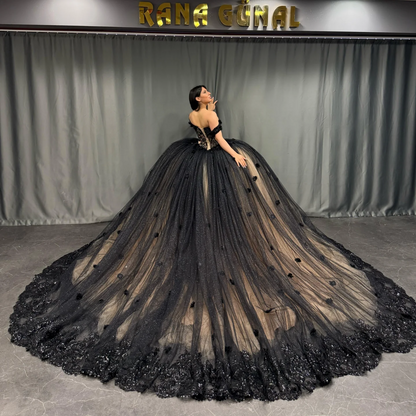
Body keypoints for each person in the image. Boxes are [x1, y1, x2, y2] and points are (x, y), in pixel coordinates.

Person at [9, 85, 416, 402]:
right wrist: (235, 156)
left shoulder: (192, 115)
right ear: (199, 99)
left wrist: (213, 128)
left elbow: (203, 132)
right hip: (216, 160)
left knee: (197, 215)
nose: (208, 94)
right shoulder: (212, 114)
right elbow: (219, 139)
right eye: (204, 92)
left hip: (192, 161)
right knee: (229, 213)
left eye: (207, 92)